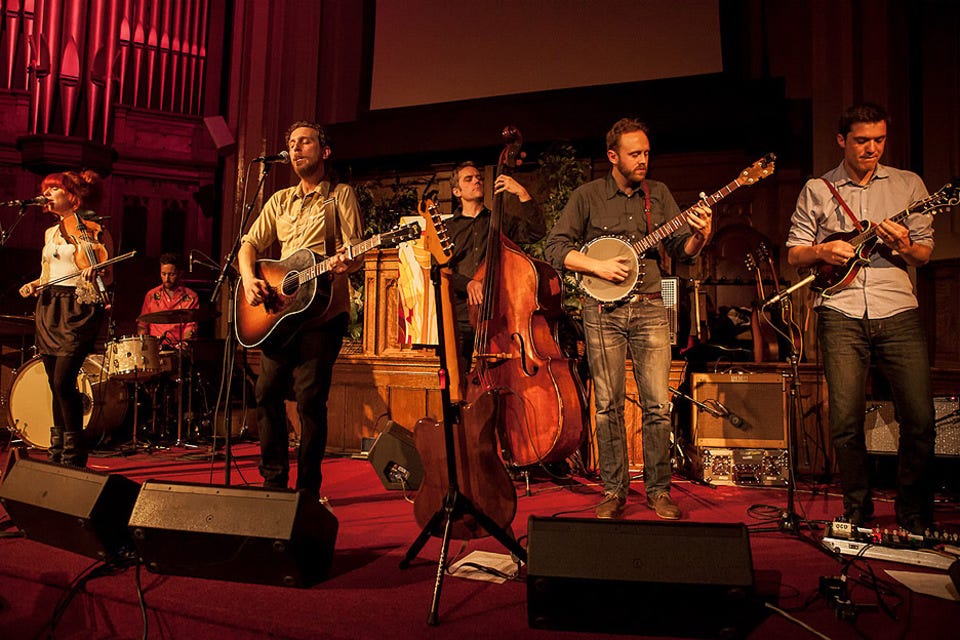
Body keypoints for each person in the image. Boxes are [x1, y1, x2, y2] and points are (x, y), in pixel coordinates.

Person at [544, 118, 712, 520]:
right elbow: (554, 247)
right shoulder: (587, 196)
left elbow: (682, 249)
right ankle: (614, 490)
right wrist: (595, 266)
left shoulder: (659, 194)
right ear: (612, 156)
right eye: (635, 153)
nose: (643, 160)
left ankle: (658, 490)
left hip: (651, 306)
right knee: (608, 405)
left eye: (647, 153)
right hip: (602, 311)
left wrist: (701, 235)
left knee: (656, 404)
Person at [786, 103, 935, 534]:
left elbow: (923, 255)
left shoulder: (909, 185)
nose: (872, 148)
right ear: (842, 141)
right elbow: (795, 253)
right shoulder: (818, 189)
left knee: (920, 419)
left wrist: (904, 244)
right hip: (841, 309)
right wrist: (822, 250)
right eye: (862, 140)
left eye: (879, 140)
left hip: (898, 309)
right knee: (846, 421)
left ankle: (913, 512)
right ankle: (856, 509)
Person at [238, 121, 363, 496]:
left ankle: (308, 490)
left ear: (324, 151)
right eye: (291, 143)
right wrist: (249, 279)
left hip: (323, 312)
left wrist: (346, 262)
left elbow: (356, 251)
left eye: (305, 142)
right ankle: (274, 480)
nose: (295, 148)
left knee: (310, 400)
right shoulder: (279, 201)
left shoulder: (340, 196)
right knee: (265, 392)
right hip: (281, 313)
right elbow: (249, 244)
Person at [18, 170, 114, 467]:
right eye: (45, 190)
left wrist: (96, 272)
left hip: (78, 307)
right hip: (50, 306)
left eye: (54, 190)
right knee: (53, 382)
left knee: (63, 381)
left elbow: (109, 276)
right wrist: (35, 284)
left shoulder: (96, 230)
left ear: (72, 197)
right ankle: (57, 449)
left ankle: (75, 453)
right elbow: (48, 274)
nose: (46, 195)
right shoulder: (49, 233)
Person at [446, 161, 545, 371]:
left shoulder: (500, 222)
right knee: (457, 376)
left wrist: (522, 193)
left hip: (497, 313)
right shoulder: (448, 229)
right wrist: (468, 283)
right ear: (457, 191)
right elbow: (439, 269)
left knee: (500, 373)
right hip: (460, 314)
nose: (477, 181)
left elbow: (536, 232)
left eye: (479, 177)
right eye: (469, 179)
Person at [136, 252, 199, 347]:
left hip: (179, 348)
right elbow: (143, 324)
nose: (166, 279)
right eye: (163, 274)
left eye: (171, 274)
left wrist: (184, 344)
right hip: (155, 347)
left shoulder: (191, 297)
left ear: (180, 274)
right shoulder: (151, 295)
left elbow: (190, 327)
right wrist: (143, 345)